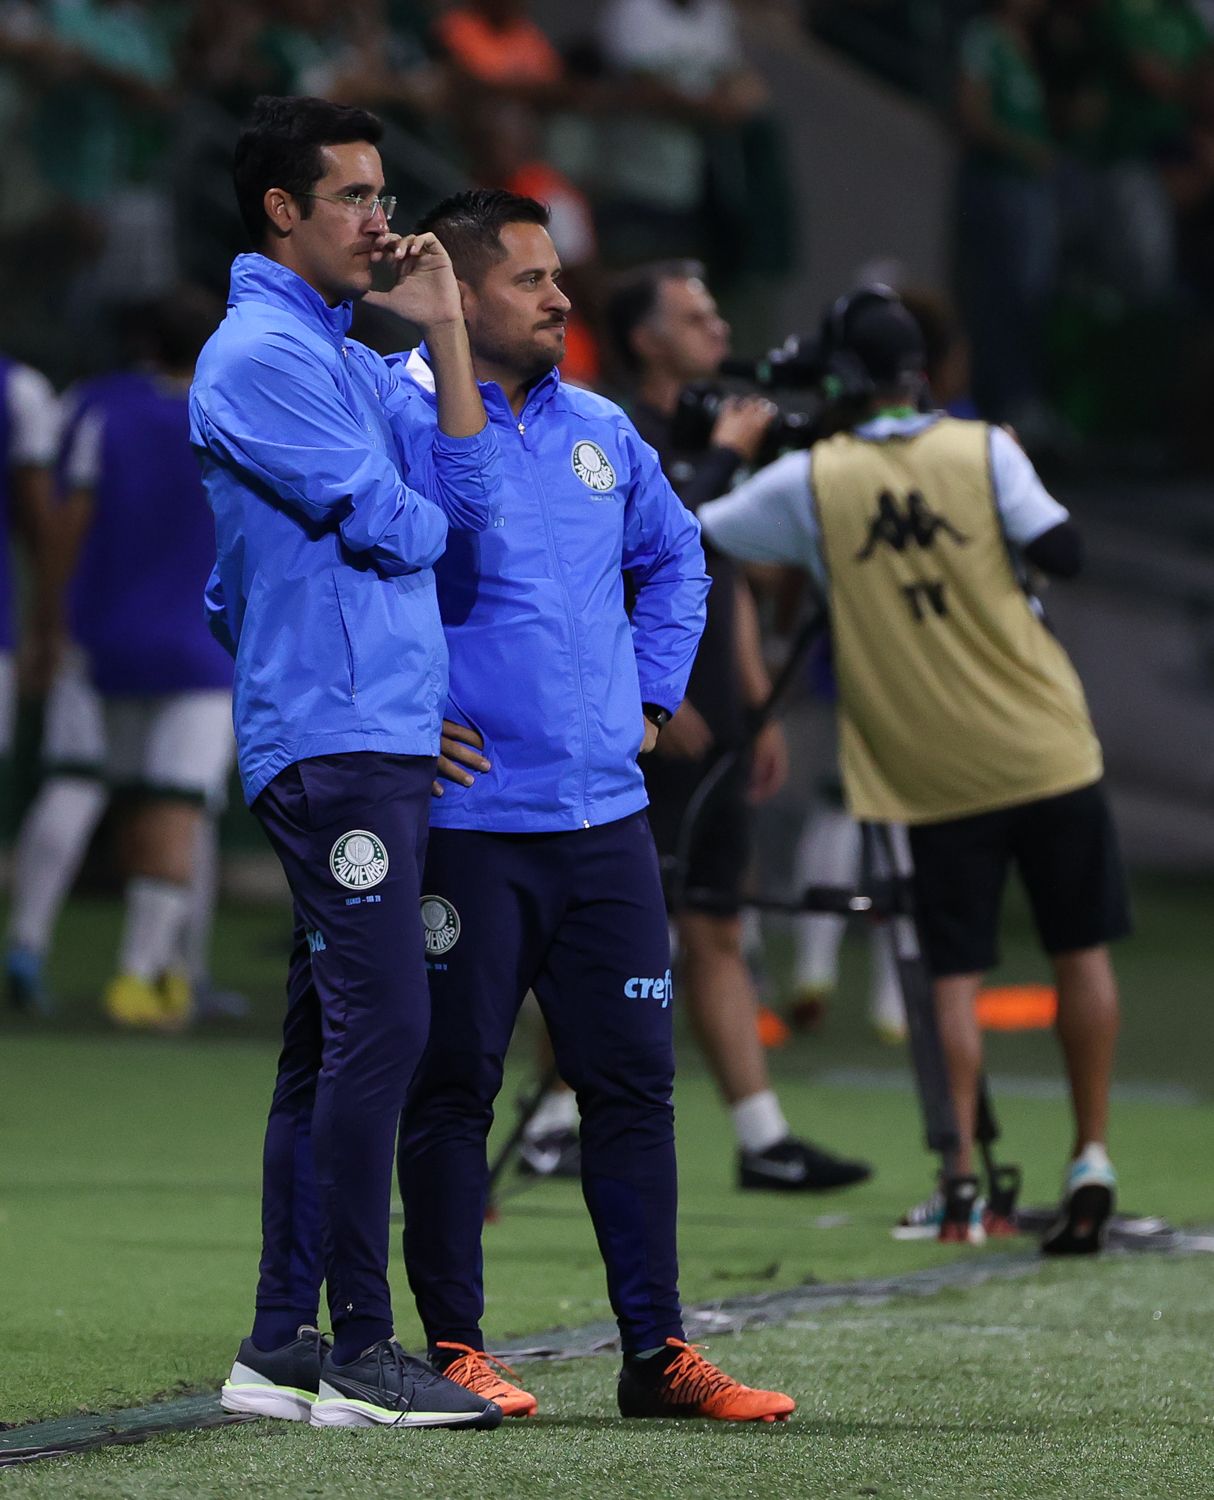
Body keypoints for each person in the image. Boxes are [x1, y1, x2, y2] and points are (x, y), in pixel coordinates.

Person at [387, 189, 796, 1422]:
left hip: (605, 824)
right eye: (529, 279)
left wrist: (655, 699)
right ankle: (452, 1350)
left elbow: (677, 560)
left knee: (633, 1089)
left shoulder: (602, 428)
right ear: (459, 295)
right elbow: (331, 578)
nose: (559, 297)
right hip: (468, 826)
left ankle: (655, 1355)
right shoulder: (390, 412)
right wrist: (403, 715)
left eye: (555, 276)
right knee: (451, 1088)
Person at [191, 95, 503, 1431]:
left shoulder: (344, 353)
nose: (384, 220)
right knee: (386, 1029)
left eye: (385, 195)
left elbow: (465, 514)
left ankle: (278, 1348)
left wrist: (446, 331)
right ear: (283, 211)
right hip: (336, 741)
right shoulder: (259, 356)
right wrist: (353, 679)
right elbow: (398, 526)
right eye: (357, 197)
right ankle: (362, 1352)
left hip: (367, 731)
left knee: (329, 1045)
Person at [699, 286, 1127, 1255]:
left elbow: (697, 529)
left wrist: (729, 449)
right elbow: (1063, 550)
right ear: (921, 374)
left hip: (928, 768)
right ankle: (1091, 1154)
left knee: (951, 977)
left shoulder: (813, 478)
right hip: (1046, 742)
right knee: (1080, 952)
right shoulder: (983, 450)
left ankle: (961, 1185)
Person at [597, 258, 872, 1192]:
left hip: (713, 720)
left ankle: (761, 1139)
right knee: (607, 927)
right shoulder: (614, 433)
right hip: (646, 727)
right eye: (695, 317)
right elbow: (603, 574)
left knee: (715, 923)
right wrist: (649, 697)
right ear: (646, 340)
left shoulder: (717, 433)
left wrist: (756, 700)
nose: (719, 331)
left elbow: (730, 576)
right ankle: (557, 1119)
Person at [6, 291, 237, 1030]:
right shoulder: (236, 409)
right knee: (181, 803)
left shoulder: (95, 404)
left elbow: (64, 524)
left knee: (76, 784)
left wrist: (49, 626)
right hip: (202, 648)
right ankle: (148, 973)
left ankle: (27, 943)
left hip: (102, 640)